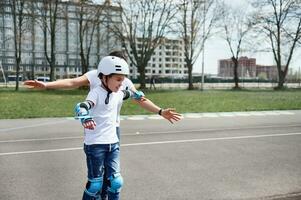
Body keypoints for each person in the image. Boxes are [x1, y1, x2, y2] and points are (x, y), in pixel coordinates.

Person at [75, 55, 142, 200]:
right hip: (95, 145)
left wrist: (136, 94)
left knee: (116, 182)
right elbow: (84, 105)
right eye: (118, 79)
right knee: (95, 185)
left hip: (113, 144)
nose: (121, 83)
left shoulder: (117, 93)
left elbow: (127, 93)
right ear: (105, 77)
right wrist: (84, 115)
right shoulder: (96, 93)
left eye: (123, 79)